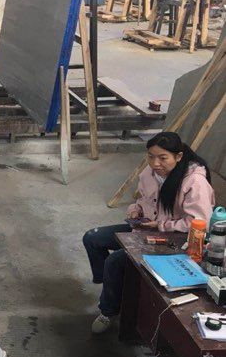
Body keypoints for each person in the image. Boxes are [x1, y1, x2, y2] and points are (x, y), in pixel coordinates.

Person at [83, 132, 215, 334]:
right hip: (145, 228)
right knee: (93, 238)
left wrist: (161, 225)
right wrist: (135, 210)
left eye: (163, 158)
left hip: (173, 240)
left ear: (178, 157)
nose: (155, 163)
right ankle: (113, 290)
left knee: (115, 261)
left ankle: (108, 310)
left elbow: (198, 223)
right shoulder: (150, 172)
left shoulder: (194, 182)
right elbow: (142, 199)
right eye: (151, 156)